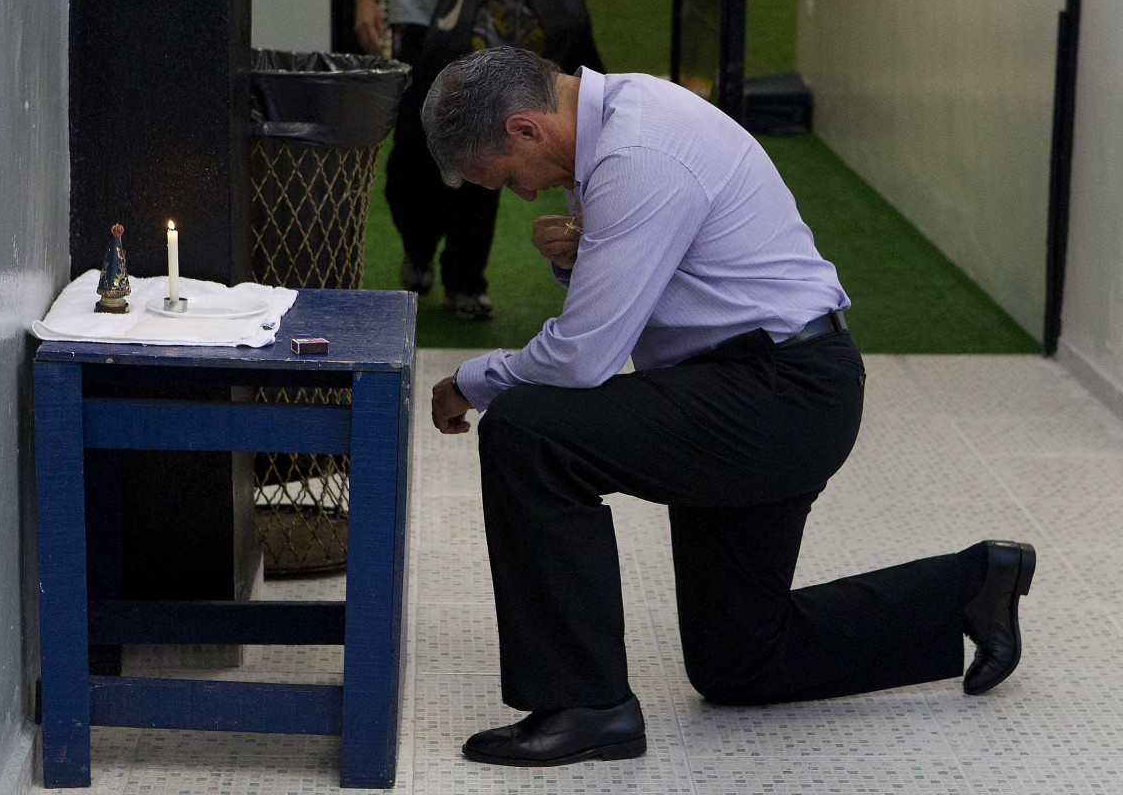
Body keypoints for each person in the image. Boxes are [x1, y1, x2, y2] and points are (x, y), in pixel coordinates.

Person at [423, 46, 1037, 767]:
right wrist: (577, 263)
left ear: (525, 128)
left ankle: (586, 706)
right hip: (748, 384)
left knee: (528, 431)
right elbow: (658, 285)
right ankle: (969, 589)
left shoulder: (636, 152)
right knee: (739, 661)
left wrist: (472, 380)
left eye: (507, 179)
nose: (523, 196)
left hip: (780, 394)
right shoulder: (618, 125)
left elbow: (583, 358)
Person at [353, 0, 602, 320]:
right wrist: (364, 0)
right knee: (410, 159)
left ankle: (465, 279)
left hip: (503, 18)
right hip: (421, 15)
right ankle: (418, 248)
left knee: (490, 158)